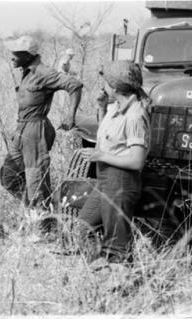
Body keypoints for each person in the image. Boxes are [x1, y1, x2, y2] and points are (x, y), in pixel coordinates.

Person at [77, 60, 151, 264]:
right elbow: (107, 135)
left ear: (116, 86)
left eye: (106, 82)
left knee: (116, 244)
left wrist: (101, 156)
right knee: (84, 228)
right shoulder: (115, 107)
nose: (103, 86)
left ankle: (119, 282)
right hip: (106, 179)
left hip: (121, 181)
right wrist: (101, 108)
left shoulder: (135, 116)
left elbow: (137, 162)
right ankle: (100, 272)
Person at [0, 35, 83, 212]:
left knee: (36, 180)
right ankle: (41, 209)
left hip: (36, 131)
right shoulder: (26, 72)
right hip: (21, 130)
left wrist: (70, 117)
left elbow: (74, 85)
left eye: (17, 53)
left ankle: (43, 226)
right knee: (8, 177)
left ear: (29, 55)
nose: (12, 57)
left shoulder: (44, 73)